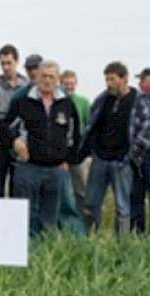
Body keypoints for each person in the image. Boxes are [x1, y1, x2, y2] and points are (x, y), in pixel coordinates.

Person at [79, 61, 150, 236]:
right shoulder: (102, 99)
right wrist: (91, 149)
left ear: (124, 78)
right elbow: (91, 125)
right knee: (91, 203)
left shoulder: (139, 100)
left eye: (112, 79)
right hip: (100, 159)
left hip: (122, 161)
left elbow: (148, 129)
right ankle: (89, 239)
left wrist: (132, 155)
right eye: (107, 79)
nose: (109, 83)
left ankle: (122, 243)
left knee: (123, 207)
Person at [5, 60, 80, 237]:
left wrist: (69, 159)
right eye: (43, 76)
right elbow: (4, 128)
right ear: (37, 77)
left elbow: (75, 135)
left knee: (50, 219)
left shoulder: (67, 104)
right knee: (26, 217)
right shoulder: (22, 101)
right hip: (28, 168)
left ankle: (45, 257)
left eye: (51, 77)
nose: (47, 80)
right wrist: (14, 141)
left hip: (56, 170)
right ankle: (24, 255)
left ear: (58, 80)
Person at [0, 44, 27, 197]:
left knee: (19, 188)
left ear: (16, 61)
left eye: (9, 63)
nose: (6, 67)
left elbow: (30, 112)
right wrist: (15, 110)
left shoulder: (26, 85)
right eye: (2, 63)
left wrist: (6, 110)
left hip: (20, 141)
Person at [131, 67, 150, 233]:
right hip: (136, 152)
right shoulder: (133, 100)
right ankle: (137, 231)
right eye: (148, 81)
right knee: (135, 195)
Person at [61, 69, 92, 228]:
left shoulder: (84, 102)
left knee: (82, 192)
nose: (69, 87)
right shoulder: (57, 101)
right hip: (62, 155)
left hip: (80, 154)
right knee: (65, 192)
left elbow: (89, 126)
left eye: (72, 84)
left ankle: (85, 225)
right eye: (66, 84)